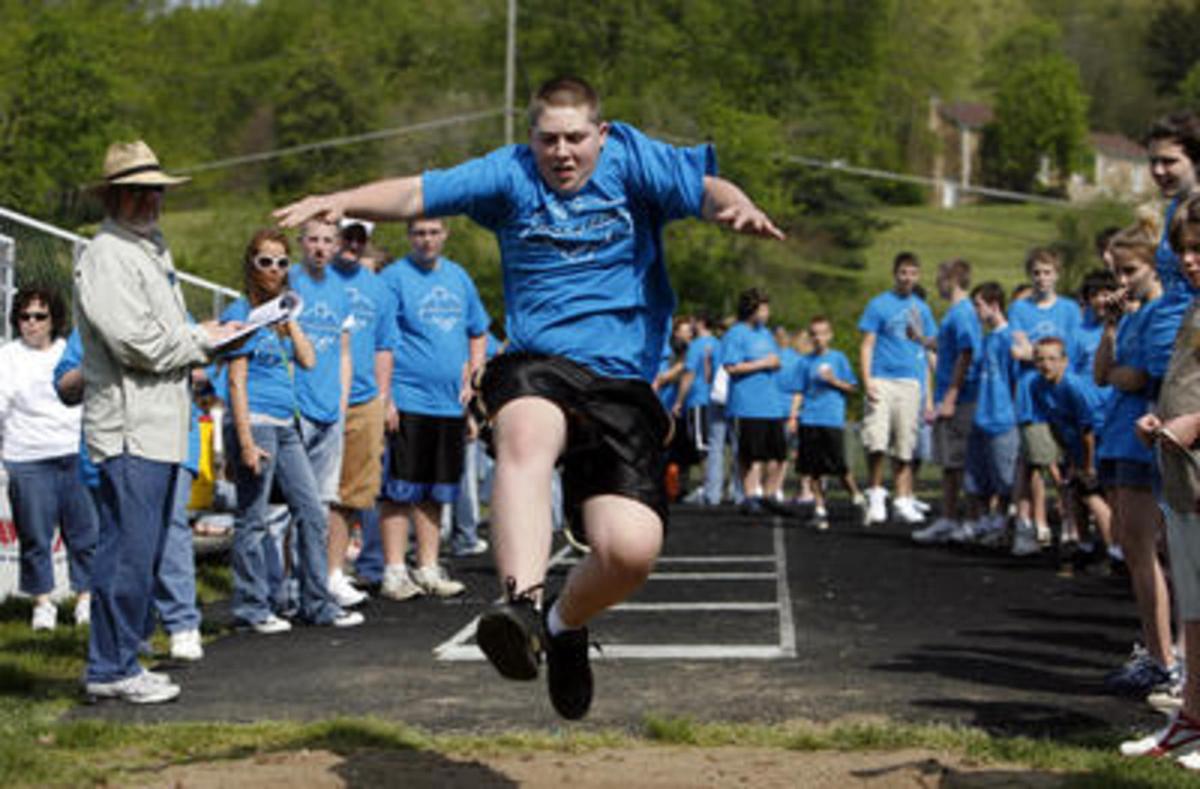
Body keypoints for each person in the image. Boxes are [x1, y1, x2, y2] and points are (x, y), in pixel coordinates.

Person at [274, 75, 783, 720]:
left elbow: (706, 187)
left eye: (575, 139)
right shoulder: (509, 173)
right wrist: (338, 201)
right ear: (531, 138)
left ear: (600, 134)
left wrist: (736, 205)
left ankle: (564, 624)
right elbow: (417, 192)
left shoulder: (634, 160)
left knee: (629, 553)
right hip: (540, 361)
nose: (561, 153)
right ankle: (520, 604)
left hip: (623, 381)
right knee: (526, 430)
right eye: (548, 140)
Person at [76, 139, 242, 704]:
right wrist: (203, 340)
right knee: (127, 553)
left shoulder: (145, 249)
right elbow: (136, 343)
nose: (150, 200)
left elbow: (158, 338)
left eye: (155, 191)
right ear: (113, 198)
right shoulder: (108, 254)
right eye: (137, 192)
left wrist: (207, 340)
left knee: (140, 553)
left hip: (158, 427)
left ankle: (121, 659)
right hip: (131, 430)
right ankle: (110, 667)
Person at [222, 228, 363, 633]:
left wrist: (289, 319)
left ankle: (315, 604)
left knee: (312, 512)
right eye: (265, 261)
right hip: (256, 423)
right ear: (251, 265)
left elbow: (308, 360)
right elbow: (236, 380)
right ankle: (252, 607)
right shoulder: (239, 312)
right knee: (254, 518)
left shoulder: (280, 314)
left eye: (282, 262)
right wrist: (245, 441)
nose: (274, 269)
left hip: (286, 425)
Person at [1121, 193, 1200, 769]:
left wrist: (1196, 422)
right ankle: (1191, 718)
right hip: (1183, 480)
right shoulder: (1193, 310)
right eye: (1184, 251)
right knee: (1194, 609)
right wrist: (1161, 419)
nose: (1190, 261)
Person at [375, 217, 489, 600]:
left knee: (436, 491)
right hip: (407, 398)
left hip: (450, 404)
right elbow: (381, 339)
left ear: (445, 234)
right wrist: (386, 398)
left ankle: (427, 566)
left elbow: (477, 331)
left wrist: (474, 381)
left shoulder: (459, 277)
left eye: (433, 232)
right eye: (420, 233)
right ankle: (394, 570)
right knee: (398, 489)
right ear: (409, 236)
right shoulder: (393, 278)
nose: (427, 240)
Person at [1095, 213, 1181, 697]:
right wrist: (1110, 326)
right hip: (1120, 437)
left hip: (1142, 439)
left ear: (1153, 266)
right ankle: (1158, 650)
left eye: (1130, 271)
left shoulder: (1161, 313)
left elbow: (1142, 376)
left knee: (1147, 550)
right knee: (1134, 549)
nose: (1122, 281)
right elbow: (1103, 372)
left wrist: (1122, 374)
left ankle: (1166, 656)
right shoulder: (1131, 315)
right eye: (1117, 273)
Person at [0, 287, 97, 631]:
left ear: (53, 319)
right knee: (34, 536)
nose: (31, 323)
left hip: (73, 452)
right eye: (24, 316)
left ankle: (85, 598)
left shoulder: (68, 352)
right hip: (26, 457)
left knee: (84, 533)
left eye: (39, 316)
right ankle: (42, 602)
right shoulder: (8, 357)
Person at [289, 218, 361, 609]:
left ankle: (312, 590)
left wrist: (342, 403)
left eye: (327, 241)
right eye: (313, 239)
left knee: (320, 507)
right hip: (295, 408)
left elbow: (345, 352)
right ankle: (282, 588)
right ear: (302, 242)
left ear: (337, 246)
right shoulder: (289, 282)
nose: (320, 247)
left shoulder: (341, 290)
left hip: (329, 410)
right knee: (285, 509)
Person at [328, 220, 398, 588]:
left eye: (360, 238)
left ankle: (335, 573)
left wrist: (383, 399)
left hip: (363, 400)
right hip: (318, 400)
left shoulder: (378, 288)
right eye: (347, 236)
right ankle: (302, 575)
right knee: (312, 494)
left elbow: (385, 346)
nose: (353, 244)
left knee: (351, 495)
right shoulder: (311, 279)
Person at [1008, 248, 1082, 556]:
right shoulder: (1019, 308)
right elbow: (1018, 350)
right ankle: (1031, 525)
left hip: (1063, 393)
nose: (1042, 278)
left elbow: (1070, 353)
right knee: (1035, 462)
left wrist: (1036, 354)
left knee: (1067, 463)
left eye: (1047, 272)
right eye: (1036, 273)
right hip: (1031, 396)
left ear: (1057, 274)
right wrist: (1047, 356)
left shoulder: (1069, 309)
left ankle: (1070, 524)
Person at [857, 252, 937, 525]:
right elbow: (867, 345)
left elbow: (931, 347)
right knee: (876, 440)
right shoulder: (878, 304)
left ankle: (902, 497)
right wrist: (867, 380)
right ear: (895, 274)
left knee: (905, 443)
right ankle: (876, 492)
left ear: (918, 276)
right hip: (882, 378)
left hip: (910, 381)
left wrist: (932, 387)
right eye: (903, 273)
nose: (908, 278)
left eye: (913, 273)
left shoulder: (922, 309)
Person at [911, 259, 982, 545]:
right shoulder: (954, 313)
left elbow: (967, 352)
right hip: (948, 395)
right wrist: (921, 339)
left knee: (962, 462)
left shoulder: (963, 312)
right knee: (949, 463)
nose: (936, 285)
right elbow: (948, 346)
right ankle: (949, 517)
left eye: (940, 279)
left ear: (951, 280)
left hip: (961, 399)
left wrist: (951, 395)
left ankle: (972, 519)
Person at [1027, 338, 1111, 556]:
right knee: (1075, 492)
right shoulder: (1037, 386)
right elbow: (1053, 423)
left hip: (1100, 443)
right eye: (1040, 359)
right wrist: (1069, 458)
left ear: (1064, 361)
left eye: (1052, 359)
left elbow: (1088, 429)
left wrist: (1088, 466)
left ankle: (1115, 551)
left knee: (1093, 495)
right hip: (1074, 446)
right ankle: (1085, 545)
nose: (1046, 364)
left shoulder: (1073, 386)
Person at [960, 282, 1020, 547]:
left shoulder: (1009, 338)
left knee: (1006, 479)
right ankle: (989, 520)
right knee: (978, 478)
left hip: (1003, 418)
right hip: (982, 417)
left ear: (994, 305)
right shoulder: (986, 340)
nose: (975, 311)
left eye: (978, 305)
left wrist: (1014, 414)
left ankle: (1007, 524)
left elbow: (1016, 381)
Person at [788, 315, 860, 529]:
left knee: (839, 466)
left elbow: (852, 387)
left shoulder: (839, 358)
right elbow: (799, 391)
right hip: (809, 418)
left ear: (830, 335)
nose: (818, 338)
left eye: (822, 334)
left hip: (831, 419)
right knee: (812, 468)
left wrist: (833, 381)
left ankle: (856, 496)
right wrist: (793, 416)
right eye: (814, 334)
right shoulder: (804, 362)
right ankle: (820, 509)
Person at [722, 288, 786, 515]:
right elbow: (731, 367)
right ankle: (750, 497)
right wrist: (763, 364)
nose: (767, 313)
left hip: (771, 405)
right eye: (763, 309)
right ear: (751, 310)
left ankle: (769, 495)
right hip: (747, 405)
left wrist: (774, 363)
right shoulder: (736, 334)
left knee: (778, 455)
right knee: (750, 455)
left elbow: (774, 360)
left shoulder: (766, 334)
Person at [676, 312, 719, 503]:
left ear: (701, 323)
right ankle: (714, 487)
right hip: (716, 400)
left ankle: (707, 487)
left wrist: (679, 401)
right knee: (715, 445)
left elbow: (689, 375)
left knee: (702, 446)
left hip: (699, 399)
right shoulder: (719, 343)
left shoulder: (696, 345)